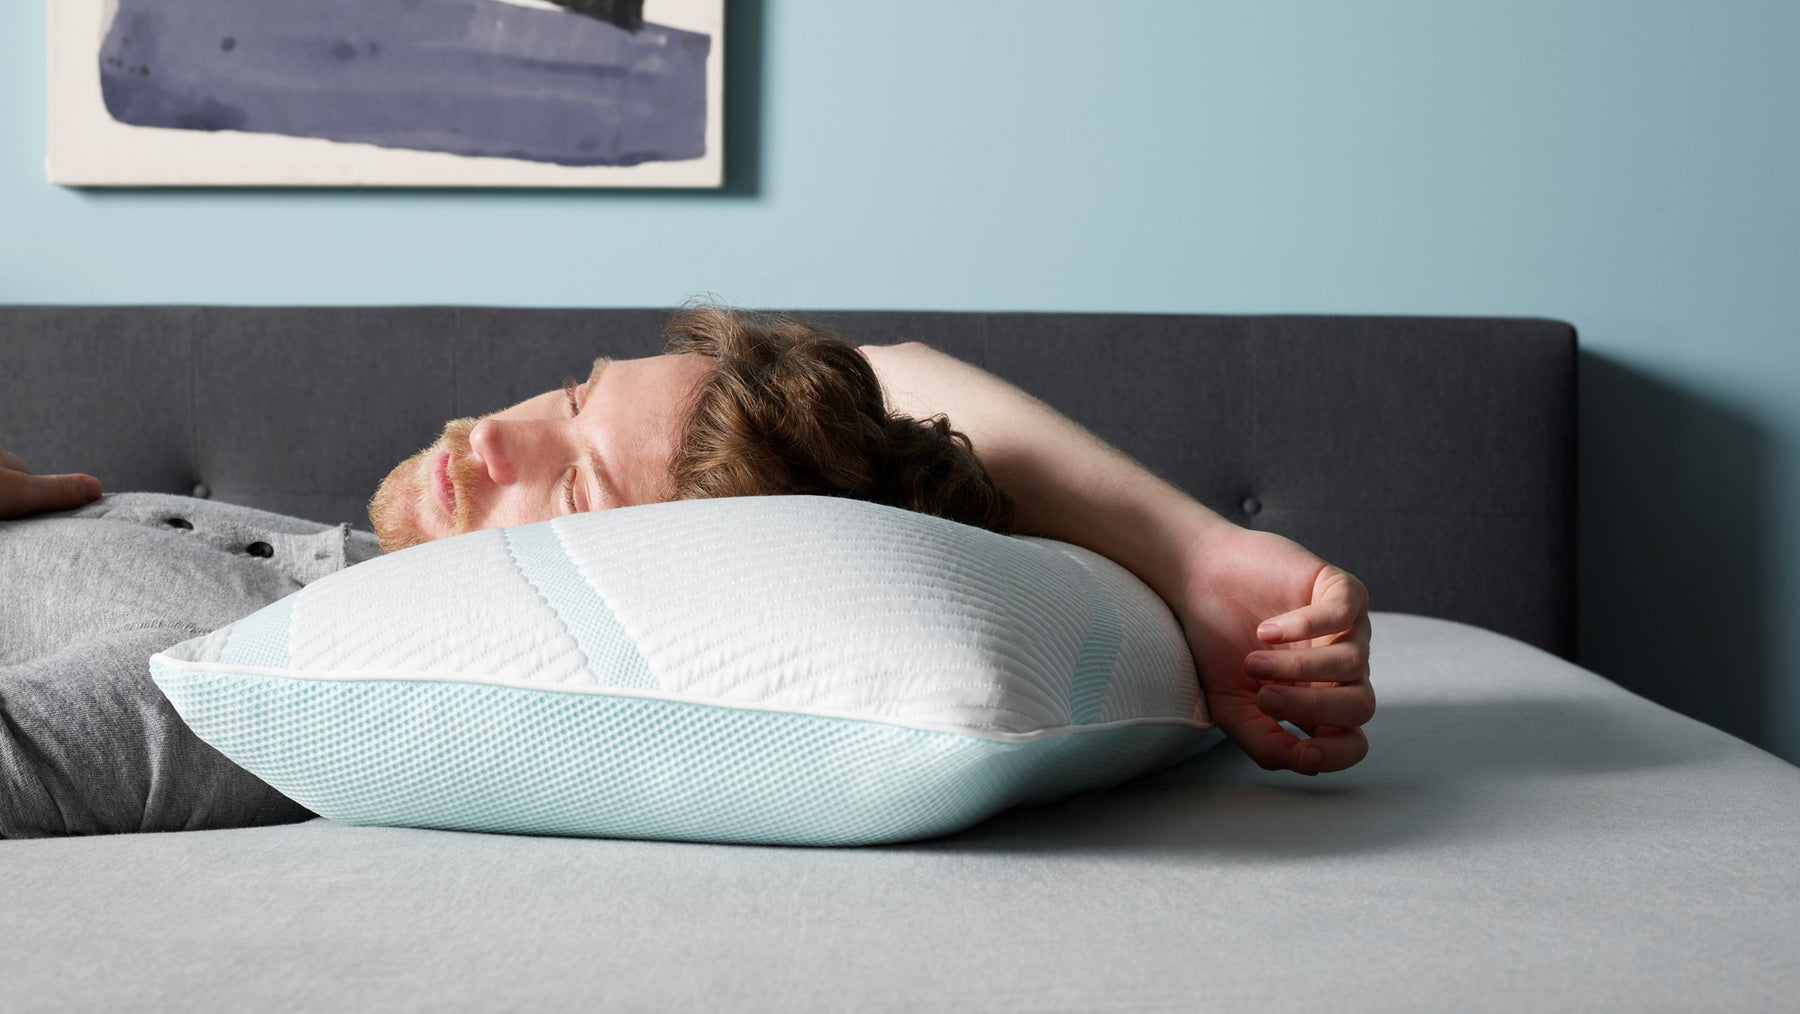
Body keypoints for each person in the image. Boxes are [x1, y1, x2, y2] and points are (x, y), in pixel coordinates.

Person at [1, 305, 1373, 839]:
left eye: (578, 481)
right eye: (575, 385)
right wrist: (1195, 549)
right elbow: (889, 376)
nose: (494, 439)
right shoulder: (338, 570)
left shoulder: (244, 690)